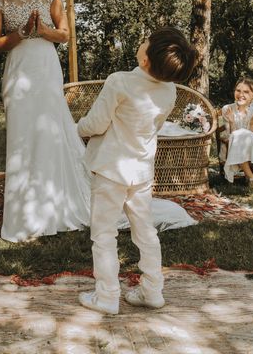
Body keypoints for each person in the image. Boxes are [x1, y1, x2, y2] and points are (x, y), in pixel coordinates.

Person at [76, 27, 198, 314]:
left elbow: (96, 123)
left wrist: (77, 128)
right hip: (141, 170)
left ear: (145, 59)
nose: (142, 41)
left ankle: (106, 296)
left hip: (110, 169)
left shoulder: (119, 82)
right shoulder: (169, 91)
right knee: (145, 231)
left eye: (147, 40)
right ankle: (152, 290)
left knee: (104, 233)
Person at [0, 0, 90, 242]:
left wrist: (40, 30)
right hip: (18, 71)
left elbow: (64, 34)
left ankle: (54, 206)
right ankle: (25, 213)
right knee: (22, 136)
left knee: (49, 134)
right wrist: (20, 32)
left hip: (45, 69)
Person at [220, 78, 253, 190]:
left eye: (246, 92)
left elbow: (252, 136)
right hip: (234, 141)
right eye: (238, 90)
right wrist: (231, 121)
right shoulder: (227, 109)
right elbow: (232, 134)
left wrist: (252, 123)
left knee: (245, 139)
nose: (241, 94)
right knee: (239, 139)